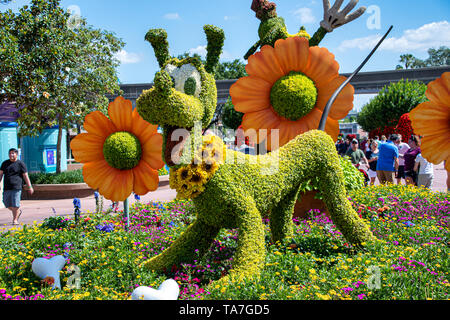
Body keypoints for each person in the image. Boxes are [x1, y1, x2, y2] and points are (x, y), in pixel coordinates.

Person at [0, 148, 34, 225]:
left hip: (17, 187)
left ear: (16, 154)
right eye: (10, 153)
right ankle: (17, 211)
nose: (11, 155)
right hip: (7, 187)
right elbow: (1, 174)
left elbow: (25, 176)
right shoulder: (5, 163)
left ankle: (15, 220)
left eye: (13, 153)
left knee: (15, 204)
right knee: (6, 203)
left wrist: (30, 187)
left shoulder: (20, 164)